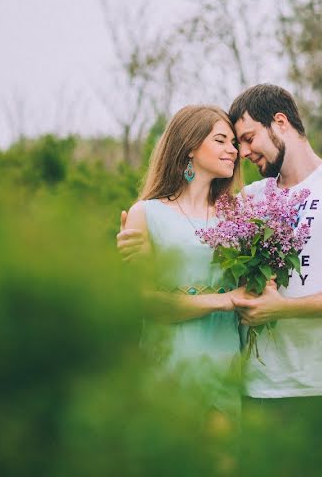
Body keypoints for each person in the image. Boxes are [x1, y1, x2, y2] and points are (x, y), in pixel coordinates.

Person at [118, 85, 322, 476]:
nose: (242, 152)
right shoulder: (247, 201)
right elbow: (188, 237)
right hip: (251, 388)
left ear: (280, 122)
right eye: (231, 141)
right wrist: (131, 242)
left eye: (246, 138)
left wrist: (283, 308)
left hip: (319, 388)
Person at [122, 104, 247, 428]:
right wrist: (225, 299)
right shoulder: (145, 214)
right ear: (190, 146)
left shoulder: (238, 215)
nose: (232, 150)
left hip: (226, 364)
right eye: (221, 140)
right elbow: (144, 302)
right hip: (168, 365)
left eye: (233, 143)